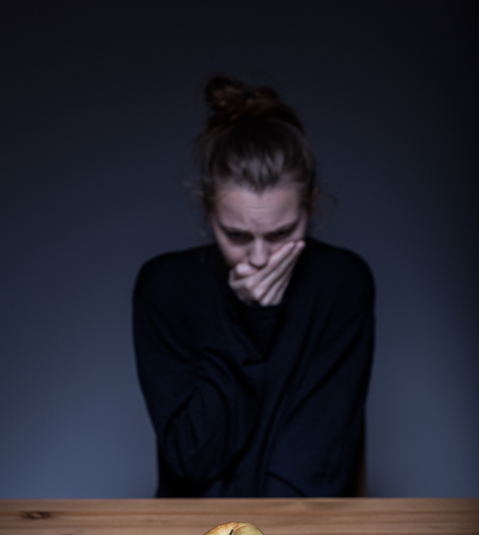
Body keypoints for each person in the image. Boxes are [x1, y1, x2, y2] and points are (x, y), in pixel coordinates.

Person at [132, 75, 375, 498]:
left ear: (312, 206)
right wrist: (243, 323)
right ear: (208, 212)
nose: (260, 258)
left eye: (281, 234)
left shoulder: (341, 284)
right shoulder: (165, 288)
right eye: (238, 236)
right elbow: (192, 459)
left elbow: (316, 468)